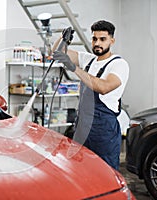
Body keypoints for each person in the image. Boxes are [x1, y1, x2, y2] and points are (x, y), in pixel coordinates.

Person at [53, 20, 129, 170]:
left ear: (111, 41)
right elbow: (57, 52)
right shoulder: (88, 60)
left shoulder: (119, 64)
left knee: (105, 174)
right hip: (82, 128)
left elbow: (104, 87)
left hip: (103, 131)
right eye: (94, 39)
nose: (97, 43)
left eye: (102, 39)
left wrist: (74, 68)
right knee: (81, 171)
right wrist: (63, 38)